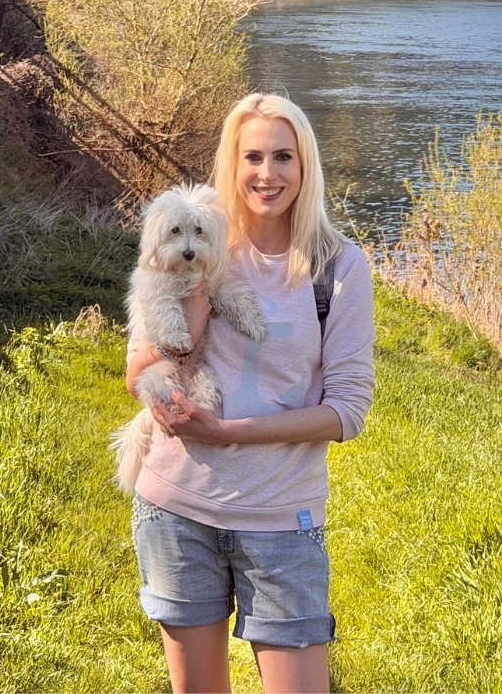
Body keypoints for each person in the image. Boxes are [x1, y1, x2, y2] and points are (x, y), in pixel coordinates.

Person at [123, 92, 375, 694]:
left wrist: (227, 432)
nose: (268, 173)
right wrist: (194, 315)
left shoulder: (338, 267)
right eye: (253, 157)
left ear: (305, 165)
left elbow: (346, 412)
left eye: (283, 156)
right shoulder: (196, 244)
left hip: (281, 518)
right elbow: (135, 373)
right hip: (178, 509)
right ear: (231, 166)